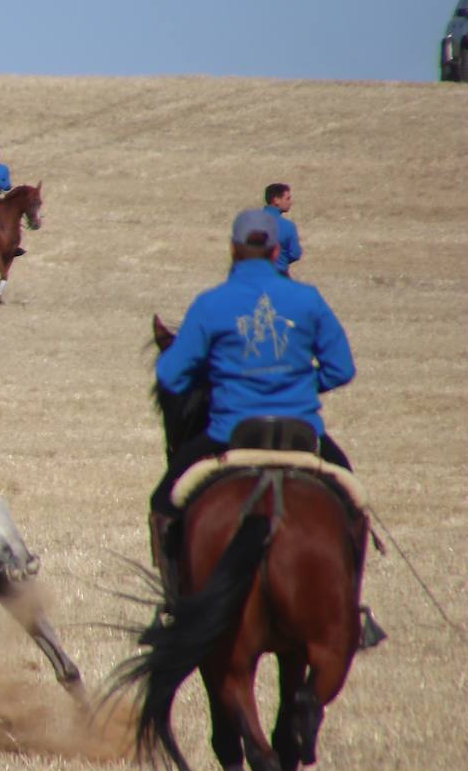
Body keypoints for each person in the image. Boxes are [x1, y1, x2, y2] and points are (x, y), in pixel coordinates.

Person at [148, 208, 354, 580]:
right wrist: (301, 384)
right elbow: (342, 368)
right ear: (277, 252)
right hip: (303, 433)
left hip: (229, 433)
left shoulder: (211, 304)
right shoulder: (307, 300)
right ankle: (352, 609)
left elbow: (169, 374)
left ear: (233, 249)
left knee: (163, 502)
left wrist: (219, 379)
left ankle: (178, 605)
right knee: (351, 504)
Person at [263, 182, 303, 278]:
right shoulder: (287, 226)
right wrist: (282, 259)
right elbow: (295, 254)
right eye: (287, 198)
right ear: (276, 200)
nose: (290, 202)